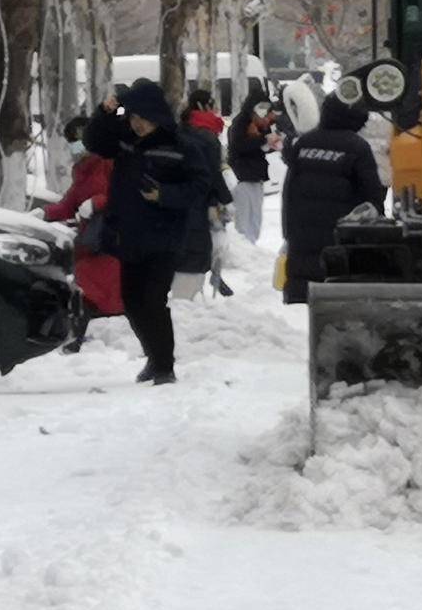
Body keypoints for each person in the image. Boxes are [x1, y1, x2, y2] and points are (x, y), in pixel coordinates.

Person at [84, 79, 210, 385]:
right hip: (129, 236)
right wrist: (104, 111)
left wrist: (164, 195)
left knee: (153, 300)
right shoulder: (126, 141)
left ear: (157, 116)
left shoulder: (182, 147)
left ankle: (164, 365)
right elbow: (94, 142)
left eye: (143, 118)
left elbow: (200, 188)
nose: (138, 124)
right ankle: (153, 357)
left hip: (164, 238)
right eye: (134, 118)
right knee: (131, 301)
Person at [281, 93, 386, 303]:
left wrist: (288, 232)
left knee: (304, 301)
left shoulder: (304, 144)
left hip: (301, 236)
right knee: (334, 302)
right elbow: (372, 197)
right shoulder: (358, 147)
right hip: (341, 240)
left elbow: (289, 192)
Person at [37, 116, 123, 353]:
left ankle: (78, 340)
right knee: (84, 289)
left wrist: (96, 203)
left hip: (111, 240)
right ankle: (75, 338)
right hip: (90, 242)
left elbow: (123, 195)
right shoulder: (82, 169)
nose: (76, 145)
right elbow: (69, 203)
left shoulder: (110, 162)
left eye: (79, 139)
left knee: (91, 288)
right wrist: (43, 213)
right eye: (72, 140)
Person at [173, 89, 235, 300]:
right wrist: (226, 200)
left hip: (179, 200)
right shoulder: (207, 137)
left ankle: (208, 279)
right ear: (203, 106)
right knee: (207, 244)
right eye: (212, 105)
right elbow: (212, 173)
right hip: (203, 202)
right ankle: (208, 280)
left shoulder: (181, 130)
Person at [228, 90, 280, 244]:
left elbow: (262, 143)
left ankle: (252, 243)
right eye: (261, 106)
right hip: (243, 174)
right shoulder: (241, 122)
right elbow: (239, 145)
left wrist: (271, 144)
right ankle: (244, 244)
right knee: (245, 215)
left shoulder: (261, 123)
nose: (263, 110)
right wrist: (263, 140)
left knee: (255, 215)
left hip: (257, 174)